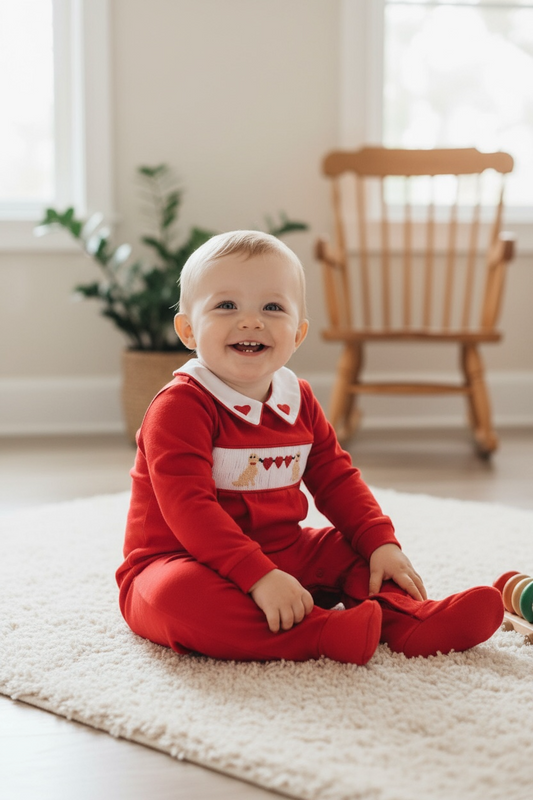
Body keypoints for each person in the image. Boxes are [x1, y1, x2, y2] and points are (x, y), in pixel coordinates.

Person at [116, 230, 504, 664]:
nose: (251, 321)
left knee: (349, 551)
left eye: (273, 307)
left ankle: (408, 619)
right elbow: (189, 511)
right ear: (188, 330)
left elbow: (337, 477)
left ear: (297, 334)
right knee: (177, 599)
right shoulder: (181, 406)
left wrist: (380, 543)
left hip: (284, 550)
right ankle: (317, 634)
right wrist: (258, 576)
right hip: (181, 558)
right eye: (226, 306)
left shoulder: (297, 398)